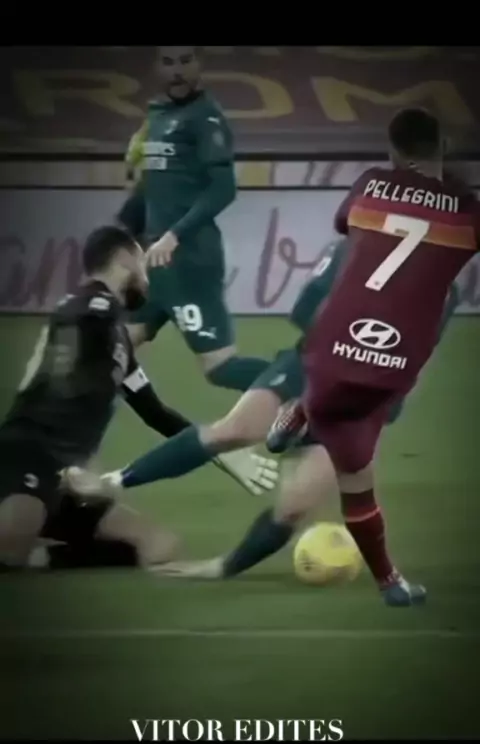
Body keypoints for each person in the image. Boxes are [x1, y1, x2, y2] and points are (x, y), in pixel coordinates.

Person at [95, 238, 459, 586]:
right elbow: (304, 313)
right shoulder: (350, 248)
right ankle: (113, 481)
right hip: (310, 369)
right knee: (233, 430)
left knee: (295, 505)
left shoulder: (444, 288)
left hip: (362, 403)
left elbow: (417, 355)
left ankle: (222, 568)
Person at [282, 107, 480, 607]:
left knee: (333, 409)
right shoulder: (467, 210)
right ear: (443, 148)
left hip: (330, 351)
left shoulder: (369, 184)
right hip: (393, 366)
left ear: (392, 151)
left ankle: (304, 410)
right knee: (358, 471)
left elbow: (346, 224)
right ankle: (389, 584)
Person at [0, 225, 275, 573]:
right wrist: (88, 460)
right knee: (9, 552)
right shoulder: (86, 308)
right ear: (126, 258)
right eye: (144, 265)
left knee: (160, 547)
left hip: (67, 479)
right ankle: (24, 540)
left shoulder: (118, 342)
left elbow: (156, 414)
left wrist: (219, 449)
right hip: (28, 457)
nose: (147, 281)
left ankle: (40, 553)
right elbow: (75, 333)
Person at [119, 46, 270, 392]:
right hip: (152, 264)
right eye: (168, 62)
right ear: (156, 67)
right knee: (112, 352)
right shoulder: (156, 116)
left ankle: (306, 386)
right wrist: (125, 233)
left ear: (199, 64)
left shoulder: (206, 118)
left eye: (186, 61)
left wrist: (174, 235)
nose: (177, 70)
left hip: (188, 262)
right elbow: (150, 188)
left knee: (221, 369)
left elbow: (224, 189)